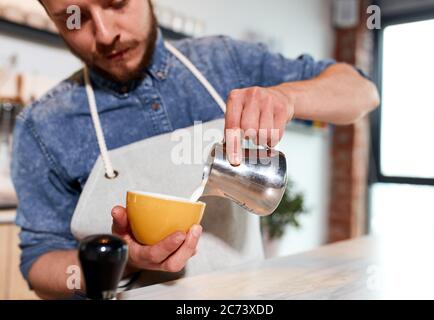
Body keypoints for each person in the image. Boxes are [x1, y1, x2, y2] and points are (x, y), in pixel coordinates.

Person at [12, 0, 380, 299]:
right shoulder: (43, 124)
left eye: (116, 3)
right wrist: (127, 261)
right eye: (74, 20)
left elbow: (362, 92)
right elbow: (39, 264)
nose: (106, 34)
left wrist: (288, 96)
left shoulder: (223, 60)